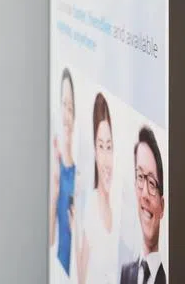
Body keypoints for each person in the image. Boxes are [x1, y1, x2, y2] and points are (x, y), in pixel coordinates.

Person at [76, 93, 120, 283]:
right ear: (94, 151)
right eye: (100, 147)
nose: (105, 159)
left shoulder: (117, 207)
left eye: (109, 147)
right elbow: (81, 275)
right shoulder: (90, 208)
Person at [119, 127, 166, 284]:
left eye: (152, 183)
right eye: (140, 177)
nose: (144, 194)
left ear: (162, 205)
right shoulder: (125, 273)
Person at [50, 68, 77, 276]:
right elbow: (50, 240)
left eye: (71, 107)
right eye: (63, 105)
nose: (67, 113)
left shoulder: (81, 176)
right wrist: (54, 195)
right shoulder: (57, 169)